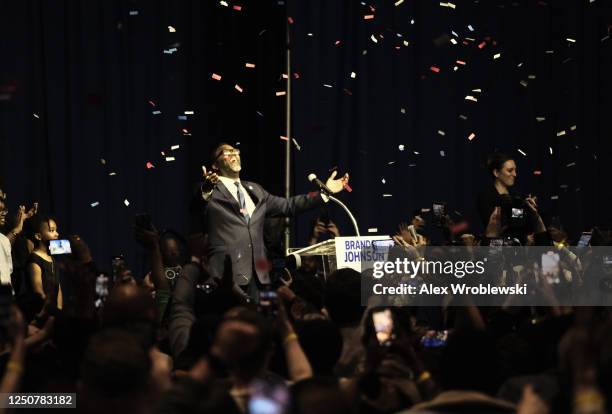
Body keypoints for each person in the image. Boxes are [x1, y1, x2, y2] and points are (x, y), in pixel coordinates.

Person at [197, 143, 349, 300]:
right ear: (215, 164)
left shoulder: (255, 190)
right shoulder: (209, 190)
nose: (234, 154)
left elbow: (287, 205)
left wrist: (325, 192)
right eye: (227, 152)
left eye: (235, 151)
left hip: (258, 277)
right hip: (226, 276)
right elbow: (197, 204)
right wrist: (207, 189)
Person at [25, 215, 62, 320]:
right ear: (38, 236)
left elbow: (58, 288)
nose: (57, 234)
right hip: (41, 313)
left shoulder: (53, 259)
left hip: (53, 313)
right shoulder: (34, 259)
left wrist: (58, 310)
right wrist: (48, 310)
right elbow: (38, 290)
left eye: (56, 230)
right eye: (52, 230)